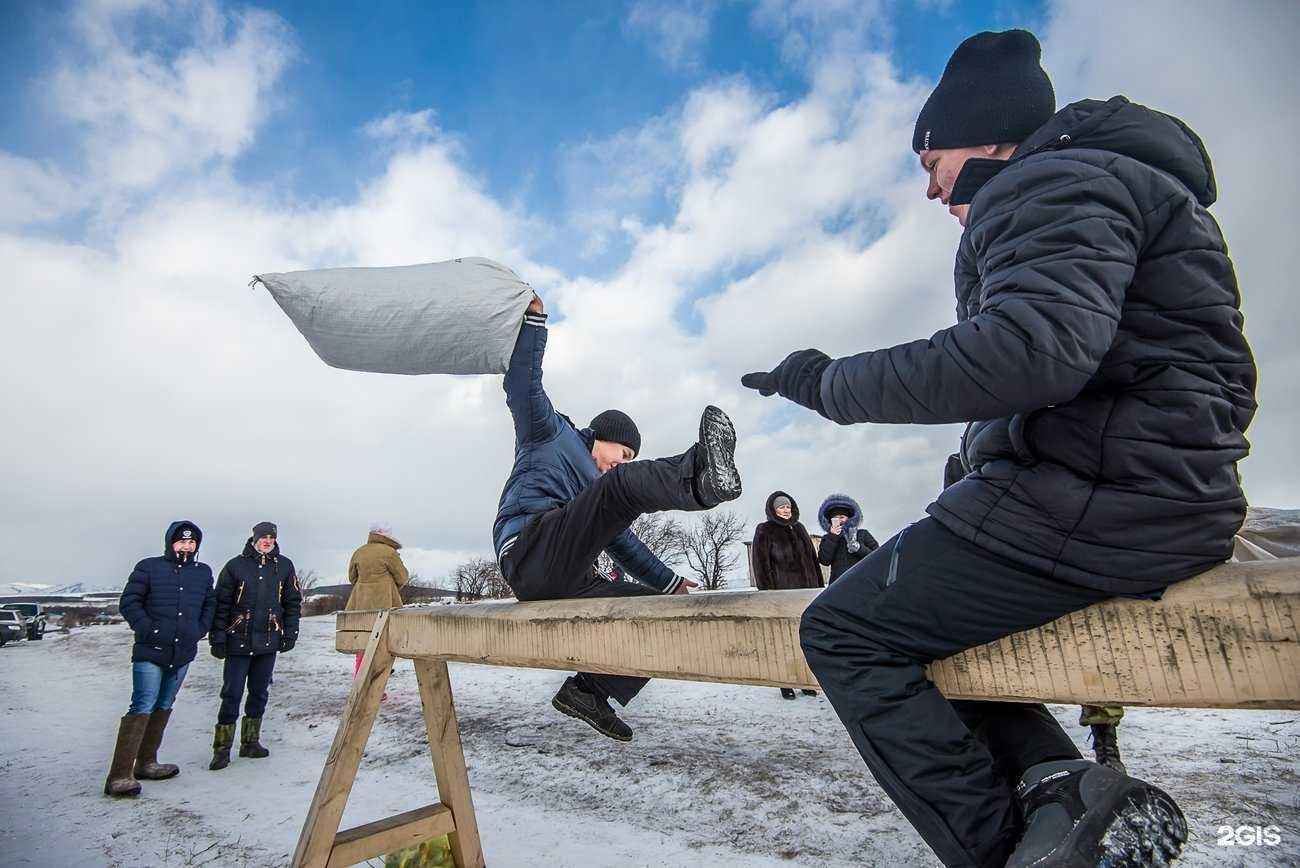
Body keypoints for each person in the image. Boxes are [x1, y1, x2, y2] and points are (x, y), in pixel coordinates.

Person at [743, 29, 1255, 868]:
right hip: (1146, 489)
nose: (930, 187)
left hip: (1110, 502)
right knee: (920, 618)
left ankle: (1015, 850)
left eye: (931, 161)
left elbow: (1027, 352)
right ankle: (1064, 787)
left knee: (845, 631)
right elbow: (1079, 361)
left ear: (983, 139)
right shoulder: (1111, 181)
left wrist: (826, 382)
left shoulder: (1048, 181)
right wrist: (979, 461)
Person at [494, 293, 741, 741]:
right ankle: (699, 475)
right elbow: (523, 386)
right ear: (603, 436)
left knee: (657, 613)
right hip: (528, 550)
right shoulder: (550, 433)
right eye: (622, 453)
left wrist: (669, 585)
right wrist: (533, 325)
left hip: (566, 577)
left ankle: (589, 691)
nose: (621, 463)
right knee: (617, 490)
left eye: (629, 459)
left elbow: (623, 542)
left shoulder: (597, 497)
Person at [105, 521, 215, 798]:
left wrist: (199, 629)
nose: (187, 546)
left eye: (192, 542)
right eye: (182, 541)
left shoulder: (202, 572)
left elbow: (209, 604)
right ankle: (120, 775)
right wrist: (148, 628)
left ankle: (147, 763)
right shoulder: (149, 567)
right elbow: (129, 602)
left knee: (165, 703)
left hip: (183, 651)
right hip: (151, 650)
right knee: (143, 703)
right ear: (171, 542)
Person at [207, 522, 302, 770]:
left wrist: (290, 633)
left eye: (271, 537)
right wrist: (218, 637)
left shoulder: (284, 566)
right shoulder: (235, 566)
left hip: (268, 641)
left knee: (259, 692)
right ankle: (222, 748)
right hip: (238, 640)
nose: (267, 541)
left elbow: (292, 602)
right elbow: (221, 604)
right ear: (254, 539)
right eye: (263, 537)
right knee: (232, 693)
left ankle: (250, 742)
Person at [752, 491, 823, 699]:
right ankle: (785, 682)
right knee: (784, 641)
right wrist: (768, 595)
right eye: (782, 507)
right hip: (782, 596)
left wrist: (818, 588)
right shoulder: (764, 530)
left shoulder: (799, 528)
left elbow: (812, 560)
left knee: (805, 640)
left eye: (788, 507)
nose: (786, 510)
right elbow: (760, 564)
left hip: (807, 594)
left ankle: (804, 681)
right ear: (773, 510)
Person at [345, 523, 410, 677]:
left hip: (360, 603)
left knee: (362, 641)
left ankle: (360, 676)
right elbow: (402, 577)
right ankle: (377, 678)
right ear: (385, 534)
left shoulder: (359, 552)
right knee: (383, 640)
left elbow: (352, 578)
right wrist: (389, 585)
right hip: (385, 603)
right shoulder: (389, 552)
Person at [815, 494, 879, 584]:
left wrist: (859, 548)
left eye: (842, 517)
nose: (839, 520)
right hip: (838, 584)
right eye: (835, 518)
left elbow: (876, 556)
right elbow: (824, 560)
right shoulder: (827, 538)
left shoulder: (863, 534)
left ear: (849, 518)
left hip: (862, 582)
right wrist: (833, 537)